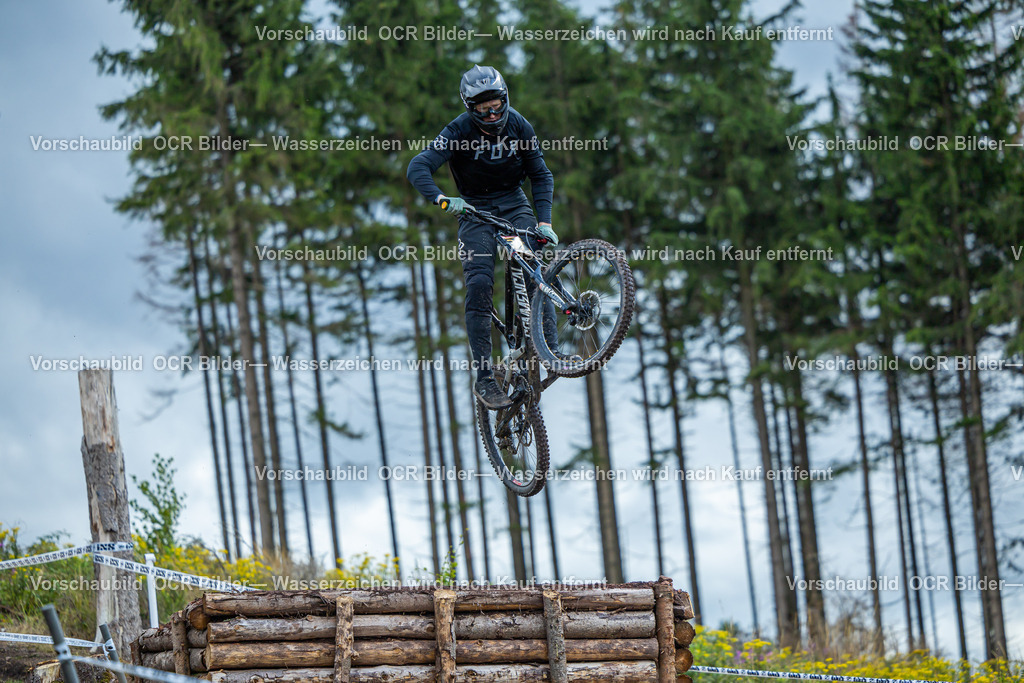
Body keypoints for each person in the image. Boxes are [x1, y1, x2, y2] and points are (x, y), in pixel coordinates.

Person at [407, 65, 558, 409]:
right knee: (478, 283)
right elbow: (418, 166)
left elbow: (540, 174)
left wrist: (545, 222)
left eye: (497, 106)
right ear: (468, 107)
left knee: (531, 263)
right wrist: (443, 199)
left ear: (506, 99)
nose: (492, 115)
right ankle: (484, 377)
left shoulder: (520, 125)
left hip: (513, 207)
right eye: (482, 109)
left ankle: (550, 347)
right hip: (474, 213)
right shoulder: (457, 131)